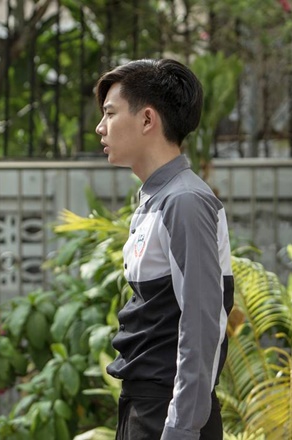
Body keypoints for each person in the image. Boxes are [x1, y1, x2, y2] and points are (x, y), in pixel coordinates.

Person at [95, 59, 234, 440]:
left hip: (168, 413)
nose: (100, 127)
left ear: (147, 120)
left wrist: (182, 427)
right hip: (146, 407)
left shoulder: (184, 201)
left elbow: (202, 321)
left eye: (110, 113)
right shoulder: (158, 198)